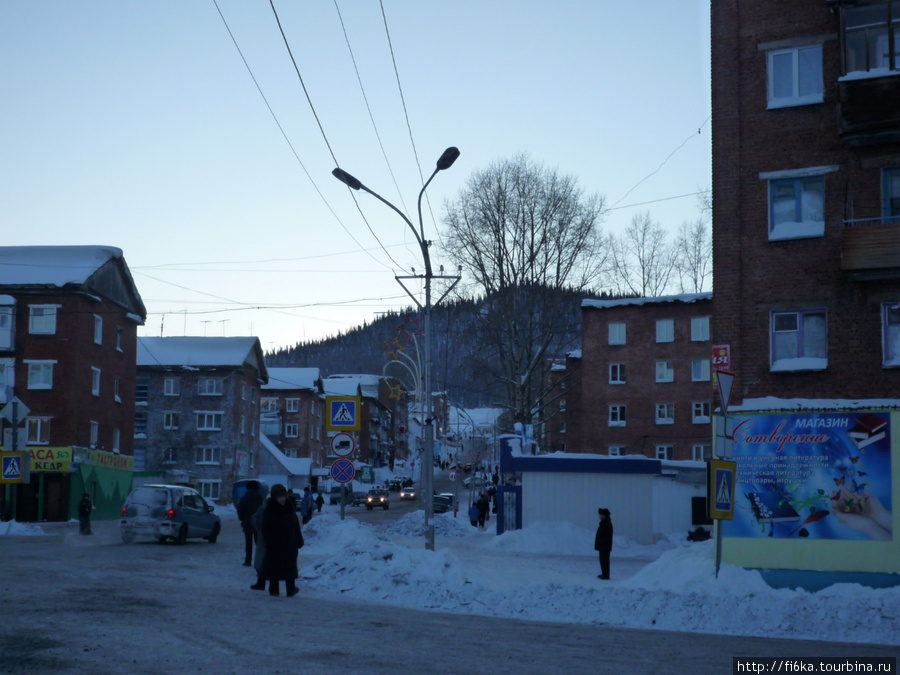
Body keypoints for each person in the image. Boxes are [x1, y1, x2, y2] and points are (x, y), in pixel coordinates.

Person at [260, 484, 303, 597]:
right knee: (274, 568)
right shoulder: (270, 510)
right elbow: (265, 528)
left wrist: (299, 540)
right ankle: (274, 590)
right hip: (275, 546)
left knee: (290, 569)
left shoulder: (289, 508)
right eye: (279, 497)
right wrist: (269, 543)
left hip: (290, 545)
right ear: (274, 497)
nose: (282, 499)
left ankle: (291, 589)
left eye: (283, 496)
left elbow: (296, 526)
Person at [237, 480, 263, 566]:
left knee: (248, 543)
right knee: (258, 543)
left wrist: (242, 519)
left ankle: (248, 560)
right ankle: (260, 560)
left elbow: (240, 511)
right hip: (258, 524)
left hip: (247, 523)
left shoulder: (244, 498)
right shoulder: (260, 499)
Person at [595, 507, 613, 580]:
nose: (599, 517)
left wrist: (602, 543)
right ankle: (604, 574)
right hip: (603, 546)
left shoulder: (606, 524)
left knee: (604, 560)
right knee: (603, 560)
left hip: (604, 546)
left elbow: (606, 536)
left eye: (601, 515)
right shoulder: (604, 523)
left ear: (604, 516)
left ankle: (606, 575)